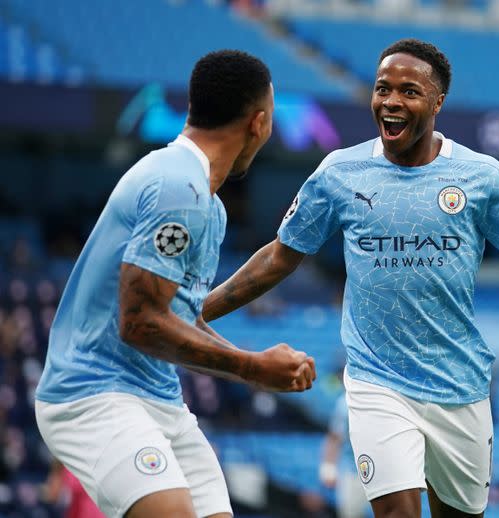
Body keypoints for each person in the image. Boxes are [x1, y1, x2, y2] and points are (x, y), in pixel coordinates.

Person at [203, 41, 499, 518]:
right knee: (396, 510)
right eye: (382, 89)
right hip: (377, 382)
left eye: (409, 92)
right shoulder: (339, 171)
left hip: (459, 387)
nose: (391, 101)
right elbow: (278, 258)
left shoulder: (481, 177)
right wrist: (197, 309)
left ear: (437, 102)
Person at [34, 50, 316, 518]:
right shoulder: (177, 189)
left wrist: (258, 372)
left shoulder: (206, 202)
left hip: (159, 399)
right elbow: (140, 323)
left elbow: (177, 315)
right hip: (94, 394)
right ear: (260, 123)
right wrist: (249, 366)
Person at [320, 392, 372, 518]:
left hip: (384, 472)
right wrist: (328, 465)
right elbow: (335, 436)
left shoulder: (388, 399)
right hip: (354, 472)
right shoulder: (345, 402)